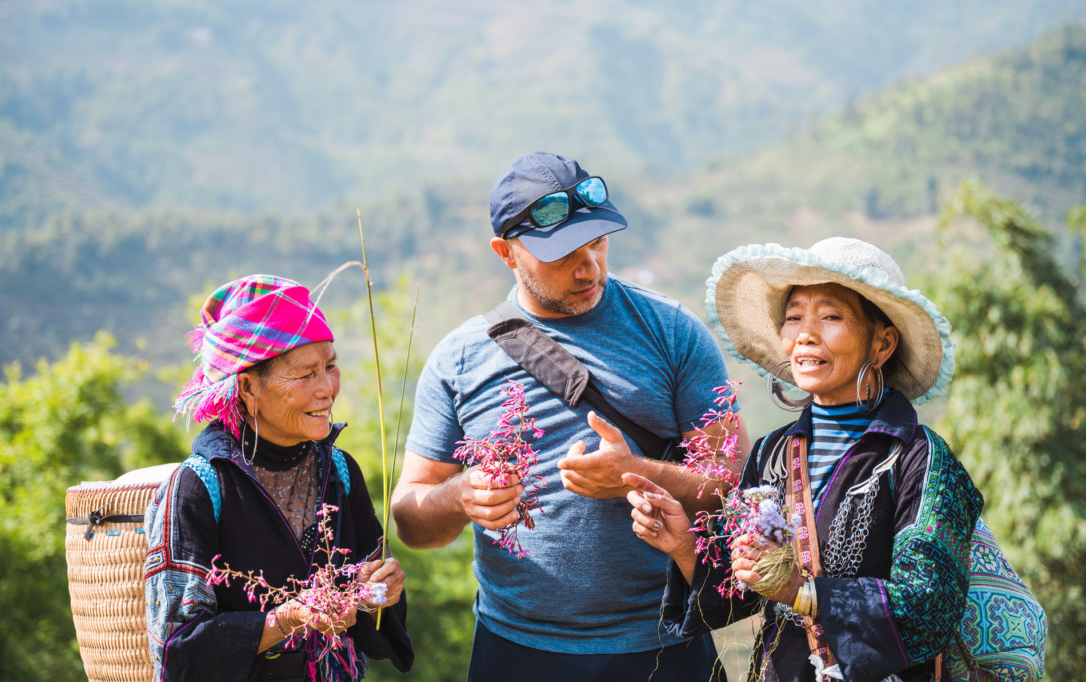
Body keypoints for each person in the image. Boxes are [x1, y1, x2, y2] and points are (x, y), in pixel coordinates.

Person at [392, 152, 745, 681]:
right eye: (562, 255)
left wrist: (638, 473)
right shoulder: (460, 358)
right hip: (515, 649)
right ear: (506, 253)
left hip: (664, 643)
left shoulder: (672, 332)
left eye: (597, 242)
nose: (590, 268)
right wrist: (461, 496)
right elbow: (410, 520)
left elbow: (733, 489)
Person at [625, 237, 982, 681]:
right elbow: (745, 589)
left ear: (882, 343)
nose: (806, 333)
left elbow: (929, 604)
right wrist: (683, 544)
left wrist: (800, 591)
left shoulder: (918, 460)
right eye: (794, 318)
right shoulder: (773, 454)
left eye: (831, 316)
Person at [144, 275, 414, 681]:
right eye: (305, 374)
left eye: (331, 366)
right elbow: (179, 651)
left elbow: (375, 632)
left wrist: (380, 594)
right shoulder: (199, 488)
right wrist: (288, 619)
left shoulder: (340, 472)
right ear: (248, 387)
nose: (327, 388)